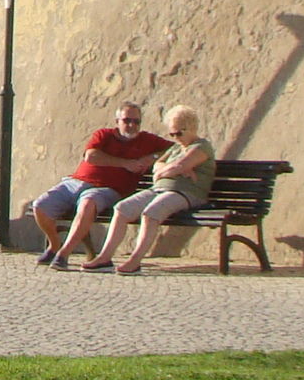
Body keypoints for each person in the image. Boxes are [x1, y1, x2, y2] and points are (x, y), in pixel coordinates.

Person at [32, 101, 171, 266]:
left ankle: (63, 254)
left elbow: (177, 148)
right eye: (127, 120)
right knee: (40, 205)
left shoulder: (147, 141)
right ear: (117, 122)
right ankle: (54, 245)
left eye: (136, 122)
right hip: (75, 182)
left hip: (107, 189)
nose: (132, 125)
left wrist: (153, 158)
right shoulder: (104, 135)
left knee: (88, 203)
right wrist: (125, 163)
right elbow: (91, 156)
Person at [83, 105, 215, 274]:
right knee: (122, 209)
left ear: (191, 128)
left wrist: (174, 168)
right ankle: (104, 257)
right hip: (159, 189)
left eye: (179, 133)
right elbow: (157, 166)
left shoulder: (201, 146)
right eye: (172, 134)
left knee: (151, 213)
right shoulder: (175, 148)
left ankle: (135, 261)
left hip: (185, 193)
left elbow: (180, 165)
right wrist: (169, 169)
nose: (175, 137)